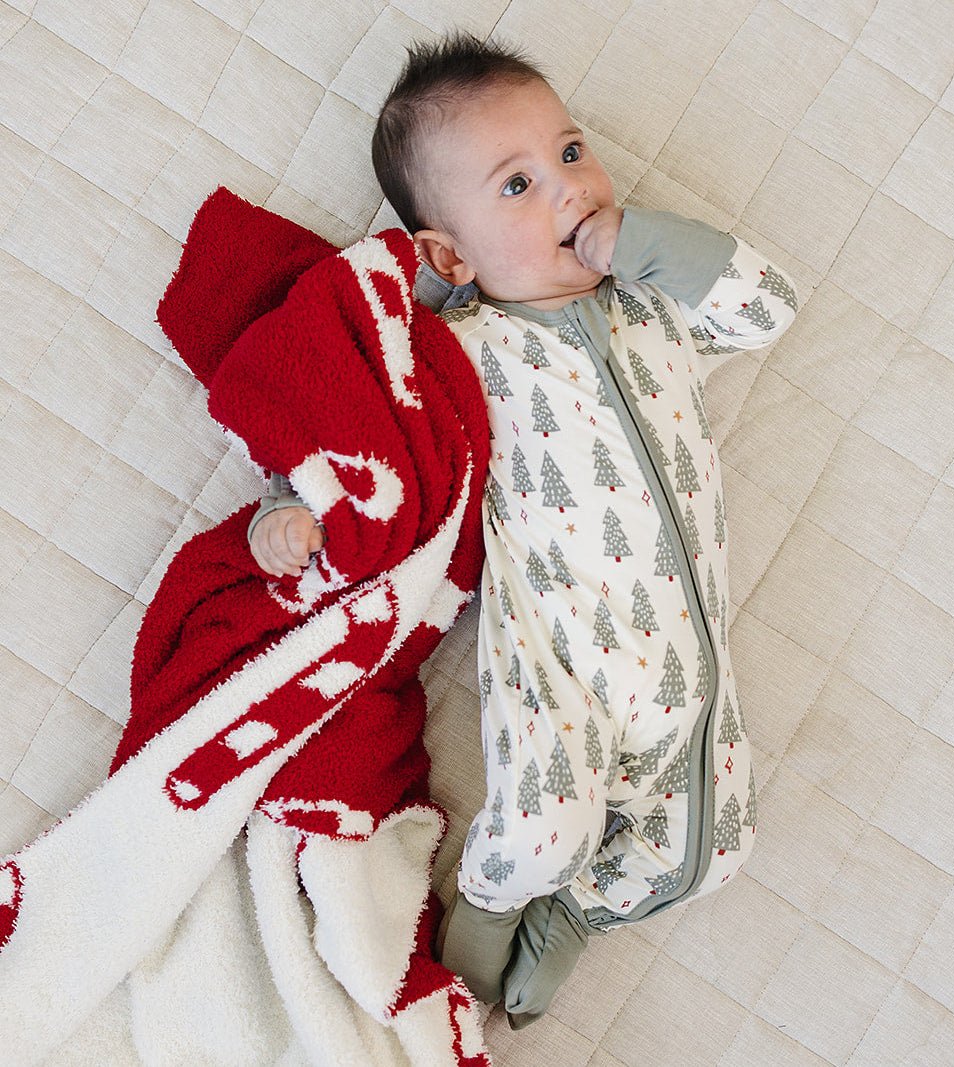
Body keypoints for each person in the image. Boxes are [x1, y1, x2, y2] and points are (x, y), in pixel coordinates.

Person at [249, 33, 798, 1027]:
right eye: (517, 184)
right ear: (452, 255)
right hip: (559, 674)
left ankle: (575, 917)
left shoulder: (654, 315)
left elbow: (766, 307)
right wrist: (288, 506)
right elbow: (357, 419)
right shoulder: (464, 352)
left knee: (714, 851)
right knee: (540, 830)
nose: (568, 189)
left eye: (572, 152)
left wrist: (643, 247)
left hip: (691, 684)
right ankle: (473, 941)